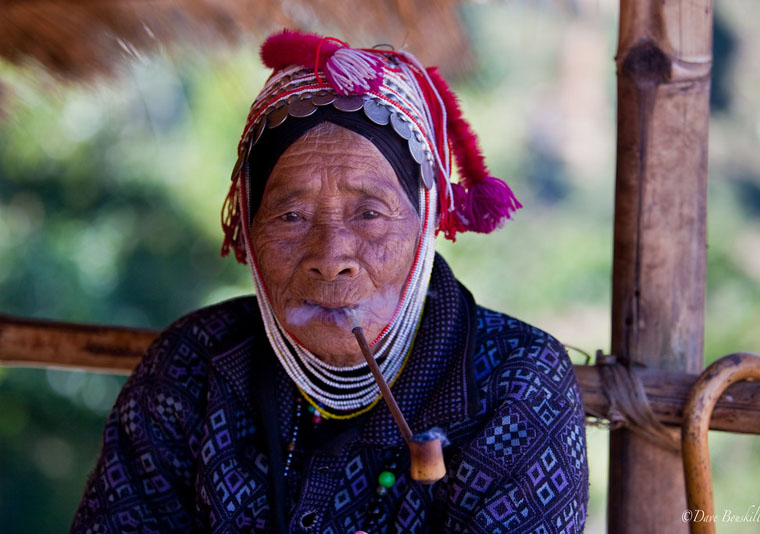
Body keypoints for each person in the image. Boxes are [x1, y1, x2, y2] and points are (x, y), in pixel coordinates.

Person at [71, 30, 589, 533]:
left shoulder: (515, 386)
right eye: (291, 216)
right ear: (247, 229)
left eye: (369, 213)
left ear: (426, 221)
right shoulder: (189, 369)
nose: (331, 257)